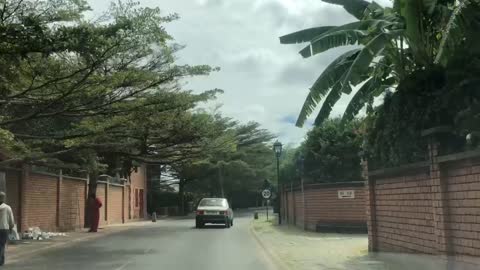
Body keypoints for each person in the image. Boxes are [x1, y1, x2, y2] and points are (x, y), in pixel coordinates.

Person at [0, 192, 14, 266]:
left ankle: (1, 260)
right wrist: (11, 227)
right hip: (4, 229)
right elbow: (11, 219)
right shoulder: (7, 207)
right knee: (2, 245)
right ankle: (1, 260)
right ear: (3, 198)